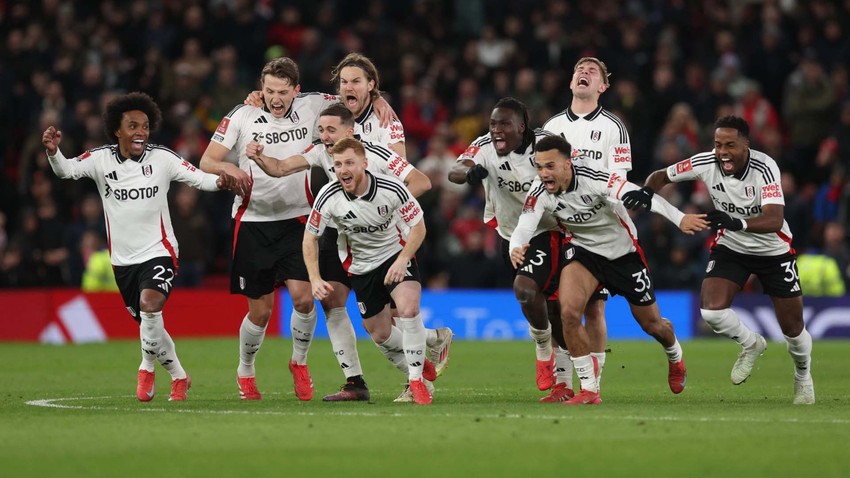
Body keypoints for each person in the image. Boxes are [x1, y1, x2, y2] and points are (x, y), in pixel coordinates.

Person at [246, 103, 451, 402]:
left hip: (387, 239)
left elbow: (421, 181)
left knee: (402, 312)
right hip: (345, 238)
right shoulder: (322, 159)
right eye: (321, 130)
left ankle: (417, 376)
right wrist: (258, 156)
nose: (325, 137)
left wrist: (382, 210)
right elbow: (279, 168)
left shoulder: (377, 156)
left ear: (350, 132)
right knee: (350, 312)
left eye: (331, 130)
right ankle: (358, 379)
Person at [42, 92, 237, 402]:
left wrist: (221, 181)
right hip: (122, 261)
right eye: (133, 126)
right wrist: (54, 153)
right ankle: (179, 376)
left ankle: (145, 368)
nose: (141, 132)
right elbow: (66, 170)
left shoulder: (162, 158)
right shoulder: (100, 160)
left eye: (145, 126)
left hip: (160, 252)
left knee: (150, 306)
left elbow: (199, 179)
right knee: (152, 326)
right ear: (117, 130)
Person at [630, 115, 815, 405]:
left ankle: (803, 376)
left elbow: (774, 219)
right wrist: (646, 192)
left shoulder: (765, 168)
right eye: (718, 144)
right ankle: (751, 343)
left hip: (773, 250)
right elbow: (661, 175)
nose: (723, 151)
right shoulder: (704, 162)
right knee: (712, 312)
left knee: (792, 328)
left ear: (746, 145)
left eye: (730, 145)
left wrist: (736, 221)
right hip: (732, 246)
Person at [510, 135, 705, 404]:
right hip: (583, 252)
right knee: (568, 313)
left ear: (568, 164)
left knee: (652, 325)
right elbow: (524, 225)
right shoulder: (539, 191)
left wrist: (680, 218)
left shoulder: (595, 177)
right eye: (539, 167)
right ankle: (589, 390)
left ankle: (675, 355)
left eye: (550, 166)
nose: (543, 174)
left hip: (622, 254)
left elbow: (640, 195)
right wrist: (516, 247)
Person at [199, 57, 340, 401]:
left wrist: (378, 102)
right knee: (259, 312)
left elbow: (353, 99)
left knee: (305, 299)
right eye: (269, 90)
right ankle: (246, 369)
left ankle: (299, 362)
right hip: (253, 221)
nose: (276, 98)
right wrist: (231, 171)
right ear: (261, 89)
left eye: (283, 91)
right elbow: (207, 160)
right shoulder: (241, 115)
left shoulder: (314, 106)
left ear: (296, 90)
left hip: (299, 219)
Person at [448, 97, 572, 402]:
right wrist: (468, 174)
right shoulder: (484, 146)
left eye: (504, 124)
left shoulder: (546, 145)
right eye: (492, 124)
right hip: (508, 234)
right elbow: (456, 169)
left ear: (522, 126)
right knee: (548, 308)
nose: (496, 130)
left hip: (547, 231)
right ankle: (564, 384)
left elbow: (572, 169)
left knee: (529, 292)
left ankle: (544, 350)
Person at [305, 138, 433, 404]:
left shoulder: (392, 189)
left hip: (395, 256)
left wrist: (403, 259)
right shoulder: (328, 196)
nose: (343, 169)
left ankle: (417, 380)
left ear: (364, 163)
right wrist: (315, 278)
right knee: (380, 334)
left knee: (408, 310)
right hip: (361, 267)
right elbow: (309, 238)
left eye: (349, 162)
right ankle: (420, 358)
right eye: (338, 164)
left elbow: (418, 227)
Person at [540, 57, 633, 392]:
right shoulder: (551, 126)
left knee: (593, 308)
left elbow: (619, 182)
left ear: (603, 87)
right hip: (559, 226)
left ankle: (594, 381)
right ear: (571, 82)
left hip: (597, 229)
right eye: (579, 69)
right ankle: (563, 383)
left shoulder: (613, 127)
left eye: (592, 71)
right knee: (557, 306)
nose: (584, 73)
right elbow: (540, 175)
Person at [246, 52, 405, 157]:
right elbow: (286, 93)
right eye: (344, 82)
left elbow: (401, 172)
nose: (349, 87)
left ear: (370, 85)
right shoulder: (325, 105)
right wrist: (260, 96)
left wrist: (377, 97)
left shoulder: (385, 120)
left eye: (356, 81)